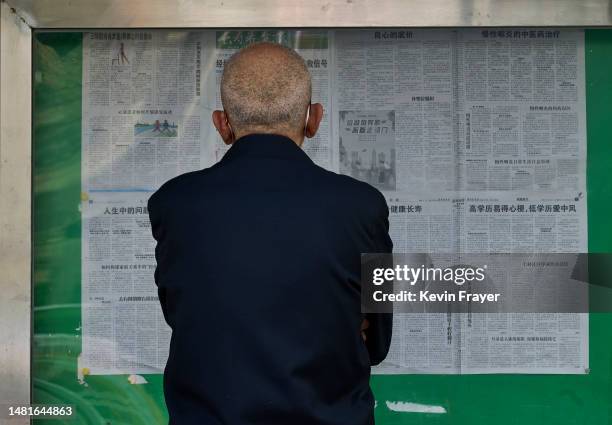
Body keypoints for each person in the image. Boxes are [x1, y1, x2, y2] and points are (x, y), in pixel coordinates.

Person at [148, 42, 393, 425]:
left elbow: (185, 313)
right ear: (314, 119)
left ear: (222, 124)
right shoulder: (363, 206)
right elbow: (376, 340)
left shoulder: (174, 204)